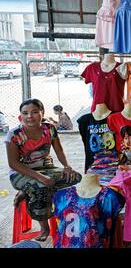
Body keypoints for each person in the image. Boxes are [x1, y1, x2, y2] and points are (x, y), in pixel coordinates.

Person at [5, 99, 81, 241]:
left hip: (46, 168)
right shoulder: (14, 134)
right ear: (20, 116)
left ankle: (27, 192)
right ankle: (44, 228)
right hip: (20, 173)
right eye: (25, 113)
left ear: (42, 113)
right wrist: (40, 177)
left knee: (75, 177)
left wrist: (67, 167)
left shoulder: (50, 129)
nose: (29, 116)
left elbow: (59, 150)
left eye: (34, 112)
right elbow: (13, 163)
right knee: (41, 187)